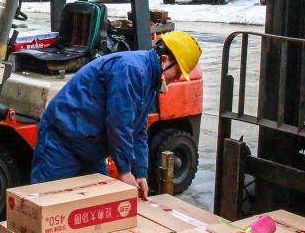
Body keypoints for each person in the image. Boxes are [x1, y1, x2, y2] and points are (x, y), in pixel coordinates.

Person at [29, 31, 202, 199]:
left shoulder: (150, 81)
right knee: (49, 202)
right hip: (62, 142)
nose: (177, 77)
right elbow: (119, 123)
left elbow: (138, 130)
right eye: (178, 72)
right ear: (164, 60)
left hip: (91, 149)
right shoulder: (131, 70)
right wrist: (125, 170)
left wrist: (140, 173)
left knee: (99, 204)